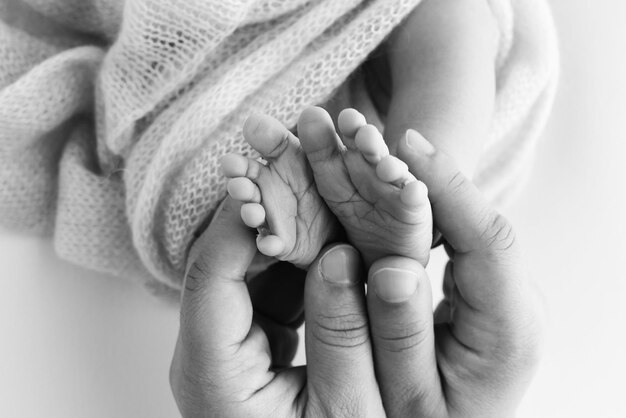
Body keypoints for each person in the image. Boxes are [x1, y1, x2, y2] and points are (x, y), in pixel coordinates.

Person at [170, 131, 544, 417]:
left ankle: (366, 213)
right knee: (452, 39)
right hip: (372, 132)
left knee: (186, 230)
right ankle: (422, 201)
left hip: (317, 166)